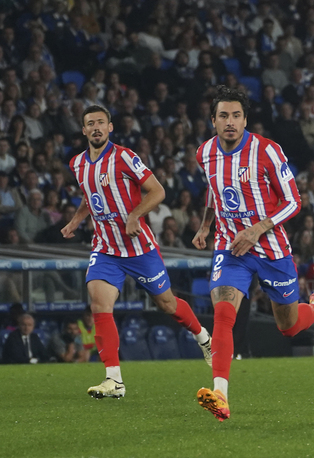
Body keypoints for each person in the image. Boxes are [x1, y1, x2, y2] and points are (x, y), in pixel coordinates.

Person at [192, 85, 314, 422]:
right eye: (223, 116)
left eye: (236, 115)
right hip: (231, 249)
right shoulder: (205, 153)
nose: (230, 122)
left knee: (287, 326)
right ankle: (220, 394)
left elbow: (293, 201)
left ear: (245, 119)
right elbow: (215, 192)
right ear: (213, 120)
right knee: (223, 314)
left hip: (271, 249)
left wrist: (257, 229)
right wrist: (205, 226)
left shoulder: (268, 151)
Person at [61, 105, 212, 399]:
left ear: (110, 127)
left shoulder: (124, 157)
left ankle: (203, 336)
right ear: (83, 130)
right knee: (99, 304)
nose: (96, 128)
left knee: (167, 305)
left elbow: (157, 191)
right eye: (90, 123)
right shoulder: (77, 164)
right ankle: (114, 380)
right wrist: (76, 220)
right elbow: (90, 195)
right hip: (106, 248)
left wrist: (134, 215)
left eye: (100, 123)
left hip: (139, 248)